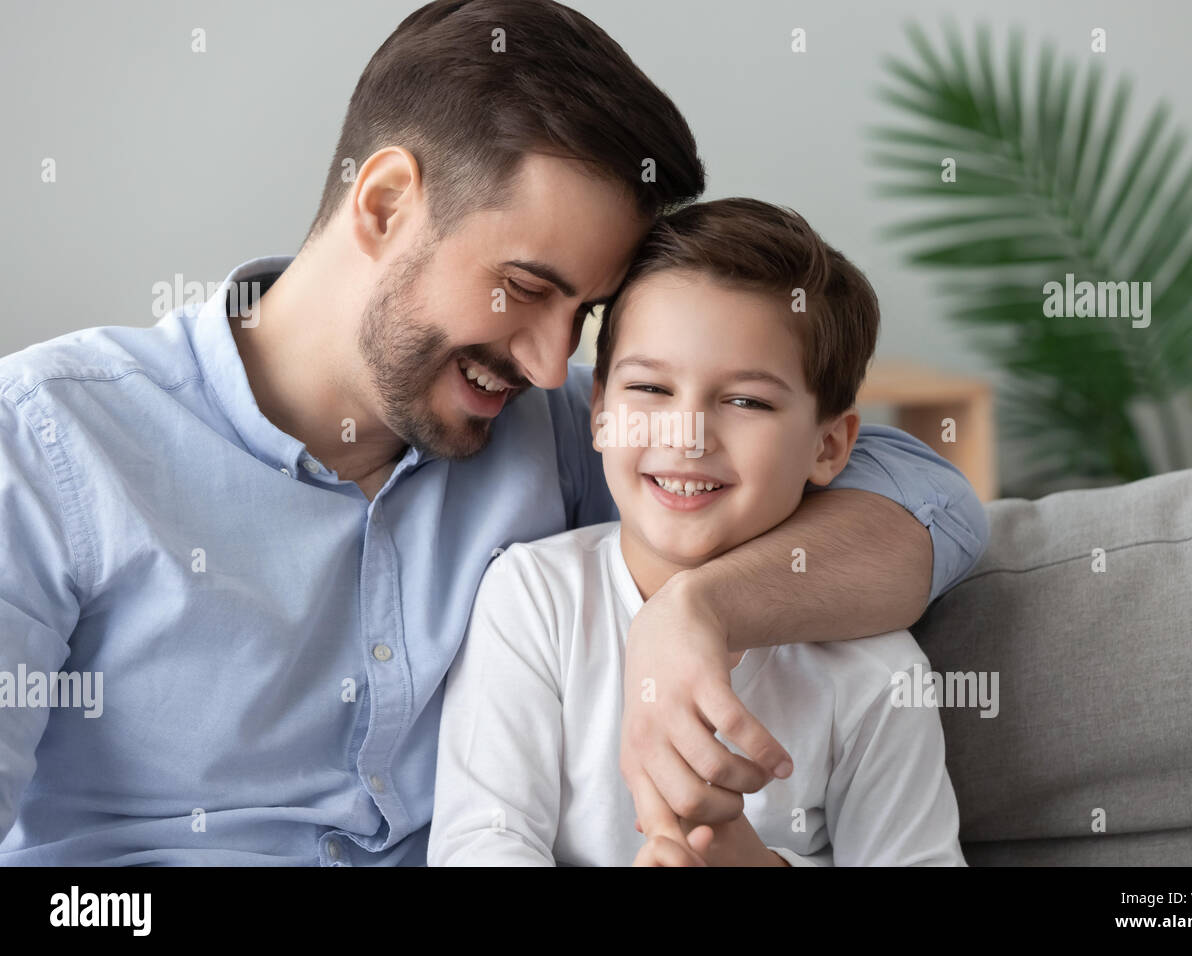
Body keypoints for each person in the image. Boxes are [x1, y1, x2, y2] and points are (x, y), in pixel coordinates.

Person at [0, 0, 986, 866]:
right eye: (525, 289)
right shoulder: (51, 446)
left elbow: (929, 500)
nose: (553, 363)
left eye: (584, 313)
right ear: (386, 204)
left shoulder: (566, 428)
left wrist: (704, 613)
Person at [428, 198, 966, 866]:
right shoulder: (534, 600)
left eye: (746, 401)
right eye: (651, 389)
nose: (686, 435)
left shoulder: (876, 674)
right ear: (599, 411)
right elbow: (481, 840)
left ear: (829, 446)